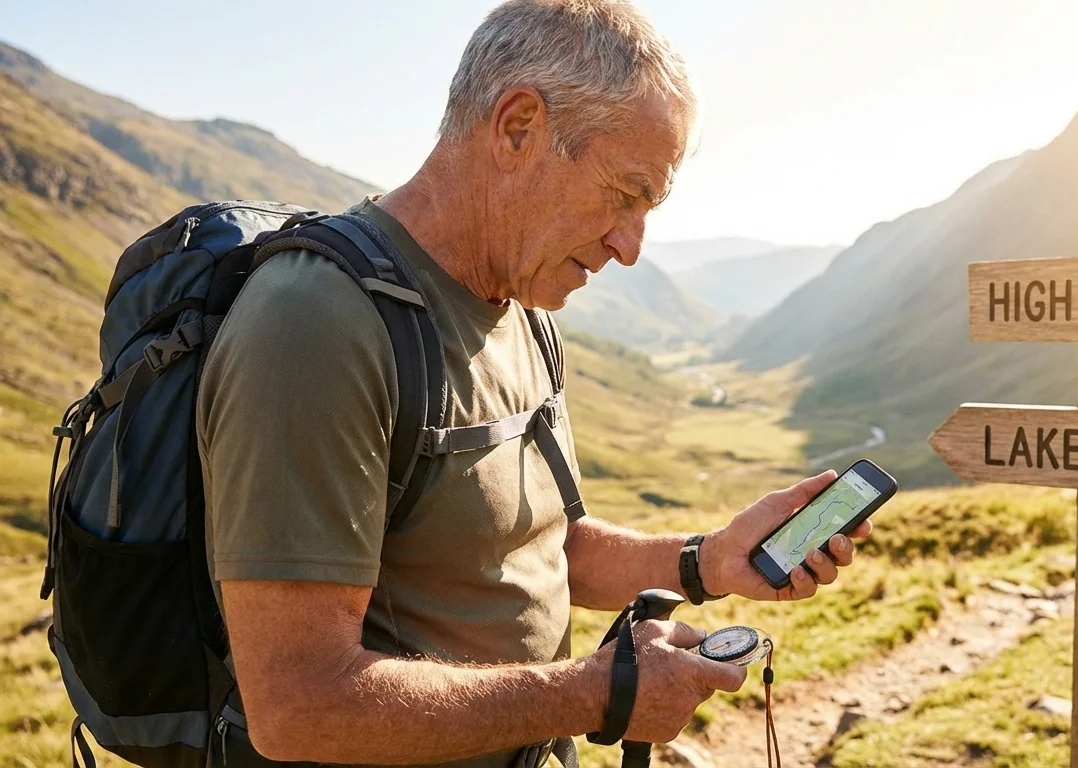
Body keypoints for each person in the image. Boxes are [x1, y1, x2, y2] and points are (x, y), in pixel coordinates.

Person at [197, 1, 872, 765]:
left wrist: (706, 559)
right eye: (626, 193)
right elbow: (299, 706)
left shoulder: (522, 303)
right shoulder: (314, 325)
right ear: (517, 127)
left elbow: (542, 545)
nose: (630, 247)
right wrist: (599, 691)